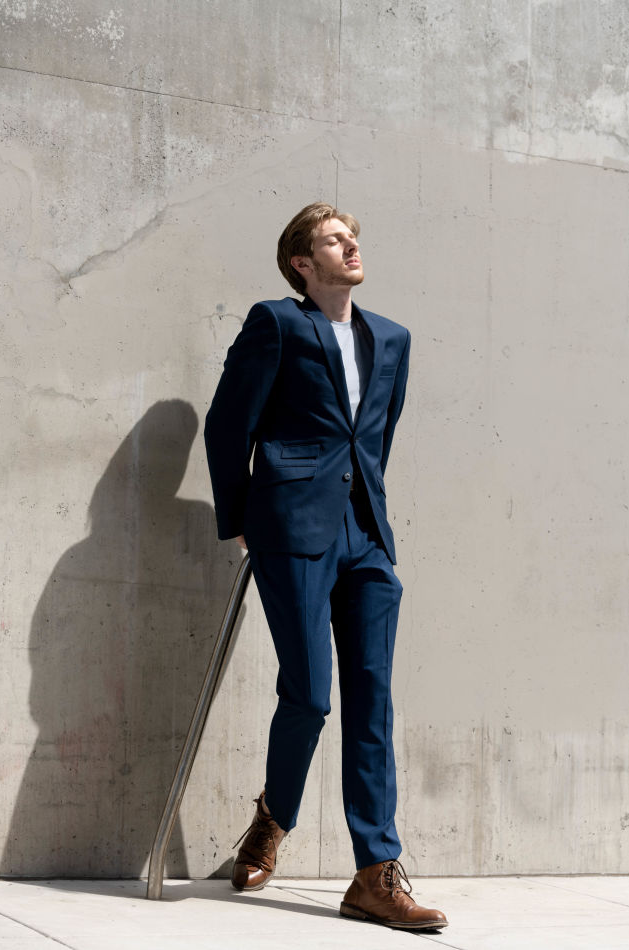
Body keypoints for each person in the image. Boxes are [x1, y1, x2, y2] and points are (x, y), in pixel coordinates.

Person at [204, 202, 448, 931]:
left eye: (352, 238)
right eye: (333, 241)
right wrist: (239, 518)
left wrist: (365, 506)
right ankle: (273, 817)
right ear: (302, 264)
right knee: (310, 695)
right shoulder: (278, 323)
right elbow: (228, 423)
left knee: (372, 703)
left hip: (365, 534)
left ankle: (375, 874)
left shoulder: (392, 338)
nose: (350, 247)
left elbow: (377, 437)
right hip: (290, 527)